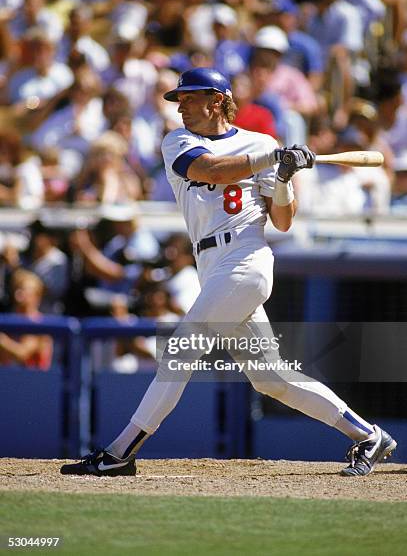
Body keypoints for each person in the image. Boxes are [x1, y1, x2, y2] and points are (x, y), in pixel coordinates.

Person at [61, 67, 396, 478]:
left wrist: (285, 178)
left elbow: (284, 221)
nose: (180, 105)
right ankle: (368, 435)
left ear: (217, 100)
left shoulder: (261, 143)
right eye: (179, 99)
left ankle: (119, 453)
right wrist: (274, 158)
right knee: (271, 379)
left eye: (189, 97)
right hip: (211, 264)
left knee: (180, 352)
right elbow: (213, 171)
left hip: (247, 258)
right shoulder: (179, 141)